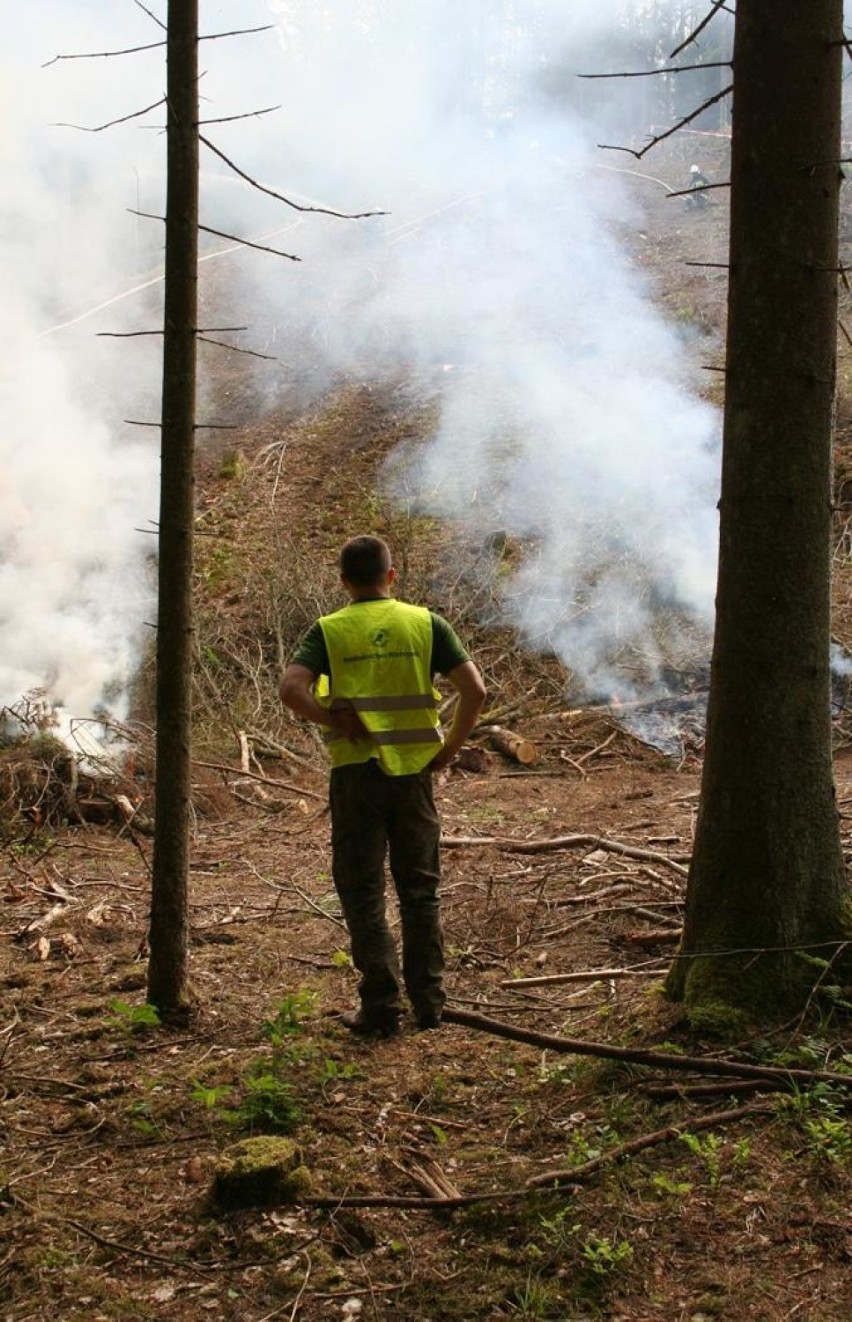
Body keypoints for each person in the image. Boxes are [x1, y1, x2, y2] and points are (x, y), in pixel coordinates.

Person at [279, 534, 486, 1037]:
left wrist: (331, 717)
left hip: (355, 777)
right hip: (414, 774)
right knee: (420, 891)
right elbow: (474, 690)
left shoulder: (328, 631)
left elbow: (290, 689)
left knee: (363, 891)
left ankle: (382, 1008)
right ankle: (430, 1004)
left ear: (344, 581)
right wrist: (450, 747)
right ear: (391, 577)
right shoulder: (425, 624)